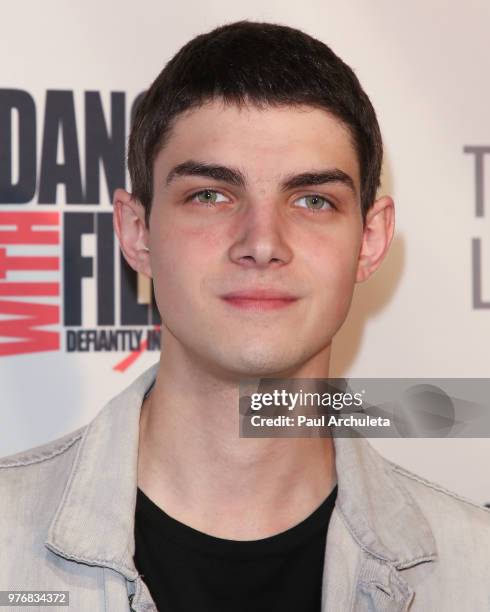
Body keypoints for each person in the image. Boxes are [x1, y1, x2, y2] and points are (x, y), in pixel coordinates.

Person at [1, 20, 490, 612]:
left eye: (313, 200)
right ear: (137, 233)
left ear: (370, 239)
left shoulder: (476, 571)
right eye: (210, 194)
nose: (262, 242)